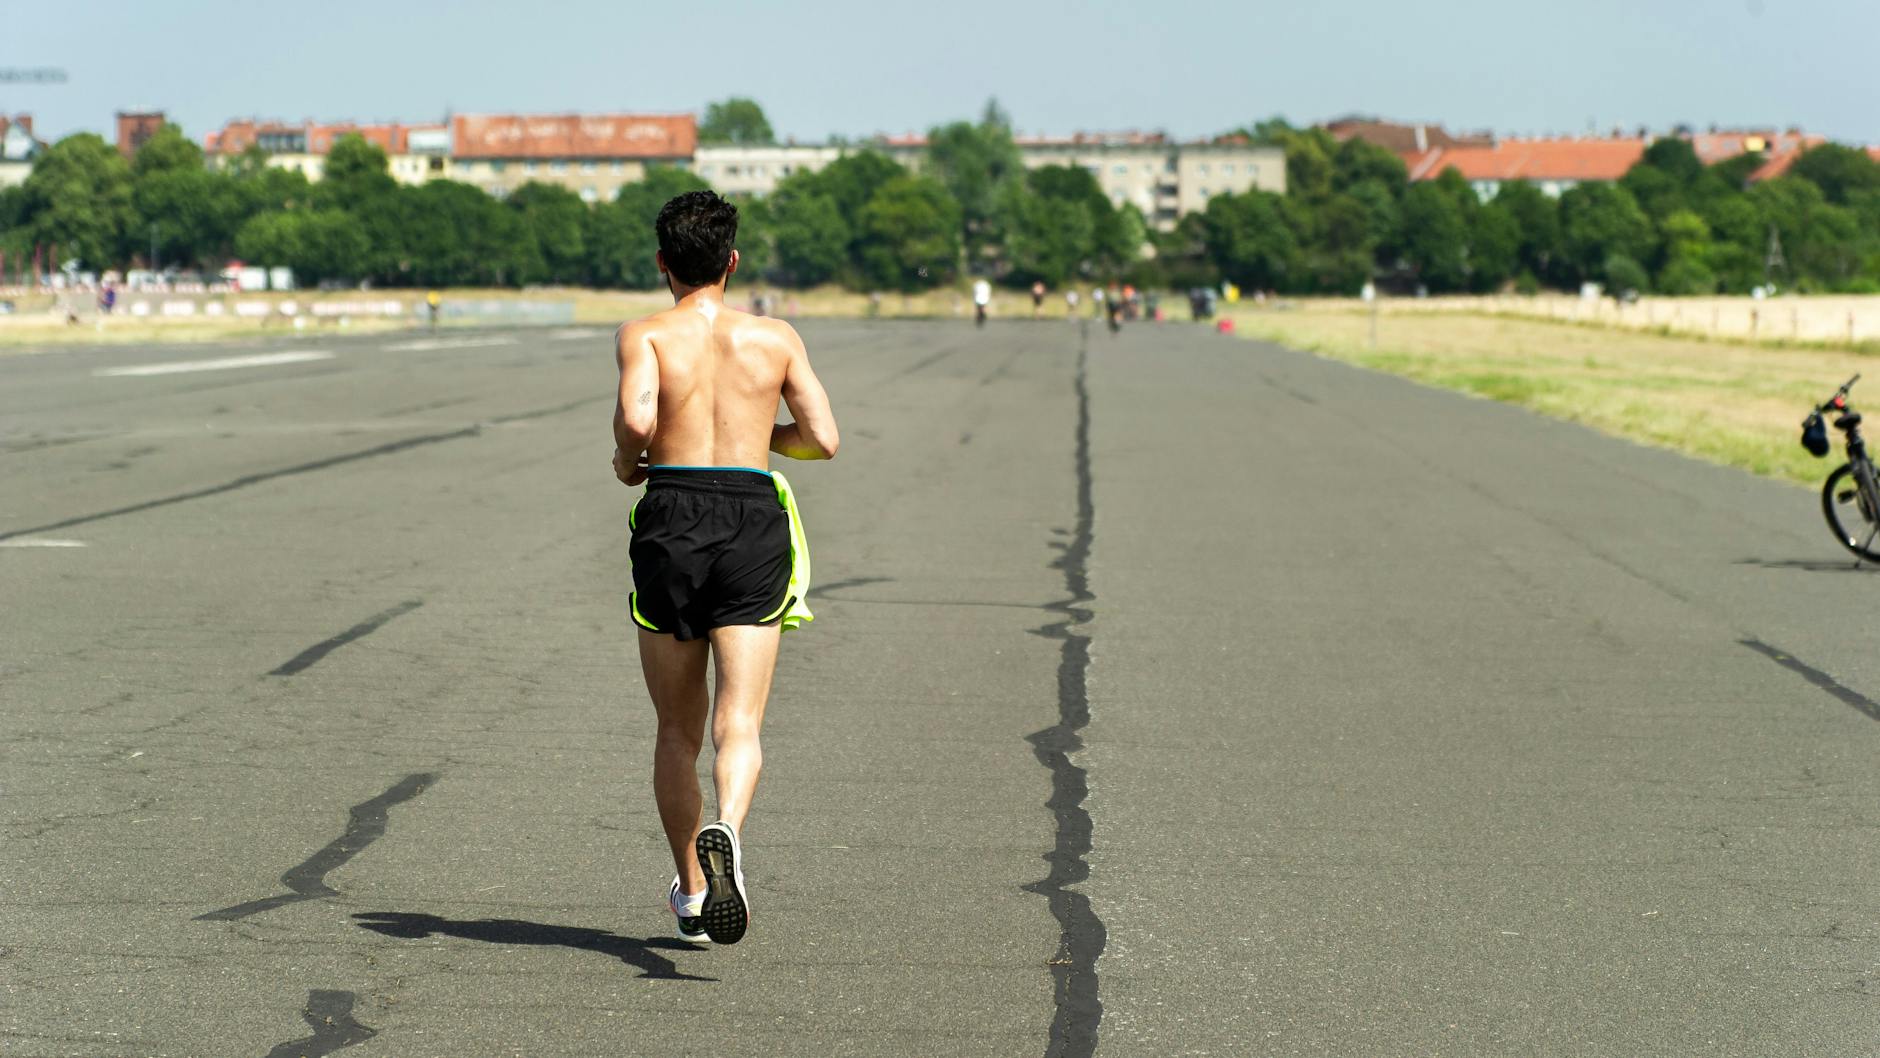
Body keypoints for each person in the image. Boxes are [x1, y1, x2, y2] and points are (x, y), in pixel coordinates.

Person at [611, 190, 841, 946]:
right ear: (732, 262)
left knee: (676, 728)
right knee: (737, 719)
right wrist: (755, 436)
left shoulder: (645, 334)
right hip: (750, 515)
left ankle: (691, 886)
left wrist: (626, 459)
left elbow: (640, 421)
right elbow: (823, 438)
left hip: (674, 512)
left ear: (662, 264)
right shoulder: (773, 338)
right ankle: (729, 829)